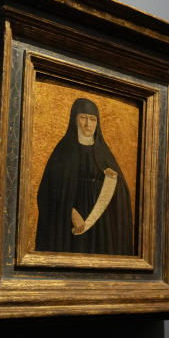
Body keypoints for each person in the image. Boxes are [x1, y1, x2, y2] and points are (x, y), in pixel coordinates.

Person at [35, 97, 133, 255]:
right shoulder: (63, 150)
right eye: (83, 118)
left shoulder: (103, 152)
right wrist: (70, 212)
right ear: (74, 120)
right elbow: (46, 193)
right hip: (71, 225)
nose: (88, 124)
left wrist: (112, 179)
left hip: (101, 225)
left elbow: (123, 194)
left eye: (93, 119)